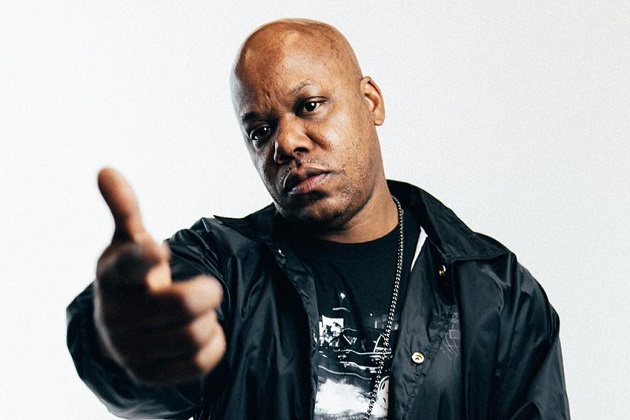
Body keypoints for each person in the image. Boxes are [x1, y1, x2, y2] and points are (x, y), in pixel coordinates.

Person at [67, 18, 570, 420]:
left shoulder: (496, 291)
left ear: (370, 101)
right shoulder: (223, 263)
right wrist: (120, 341)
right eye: (260, 131)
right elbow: (149, 362)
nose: (286, 143)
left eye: (309, 106)